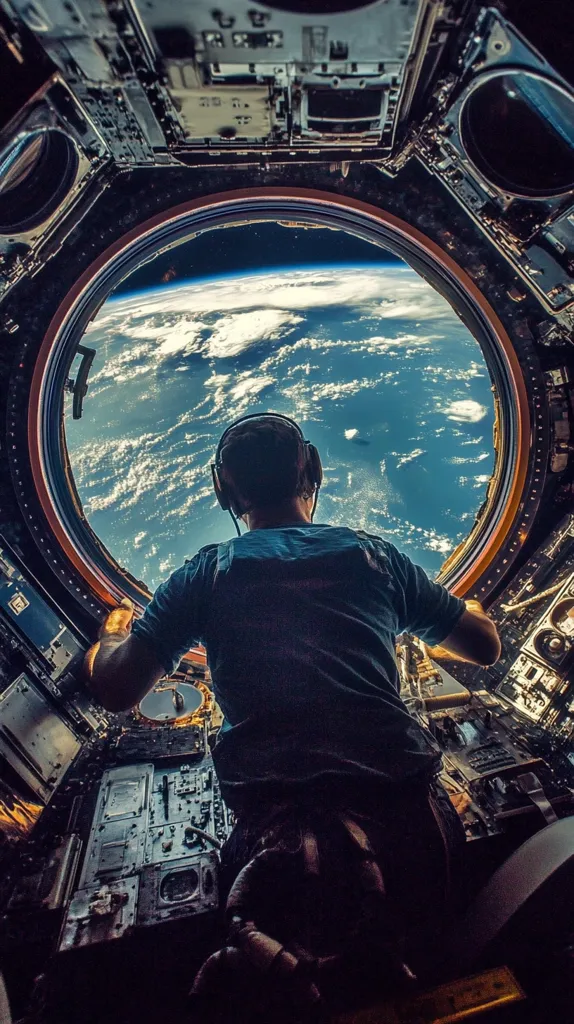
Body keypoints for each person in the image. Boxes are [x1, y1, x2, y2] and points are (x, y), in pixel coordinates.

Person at [85, 412, 500, 993]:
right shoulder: (374, 557)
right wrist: (468, 611)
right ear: (314, 470)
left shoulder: (207, 574)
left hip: (274, 844)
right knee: (432, 969)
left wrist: (111, 635)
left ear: (222, 488)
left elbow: (116, 686)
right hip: (413, 825)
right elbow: (483, 646)